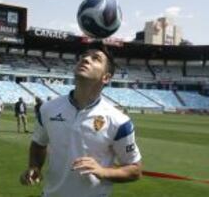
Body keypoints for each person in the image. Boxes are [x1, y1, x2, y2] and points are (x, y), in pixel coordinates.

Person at [20, 43, 142, 197]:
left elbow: (135, 169)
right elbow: (38, 144)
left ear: (106, 77)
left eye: (95, 58)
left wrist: (103, 172)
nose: (86, 59)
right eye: (84, 56)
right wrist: (34, 166)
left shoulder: (119, 121)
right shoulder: (48, 109)